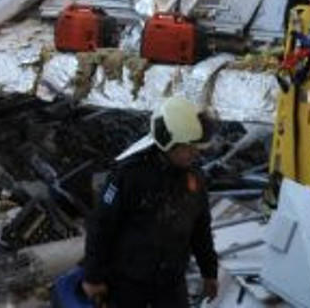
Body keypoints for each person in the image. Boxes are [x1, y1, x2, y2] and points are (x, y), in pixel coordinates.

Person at [82, 96, 219, 308]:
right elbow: (101, 226)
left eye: (197, 147)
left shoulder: (194, 178)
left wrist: (209, 272)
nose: (196, 152)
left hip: (171, 283)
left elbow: (200, 228)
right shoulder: (129, 176)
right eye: (189, 147)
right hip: (127, 283)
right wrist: (93, 277)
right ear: (169, 143)